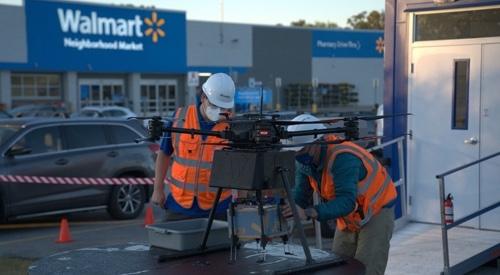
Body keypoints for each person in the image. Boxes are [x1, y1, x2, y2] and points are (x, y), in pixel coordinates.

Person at [284, 114, 397, 275]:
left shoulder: (343, 157)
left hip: (376, 211)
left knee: (367, 269)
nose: (298, 155)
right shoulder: (305, 161)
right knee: (338, 267)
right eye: (295, 152)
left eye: (302, 150)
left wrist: (310, 212)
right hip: (350, 216)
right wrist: (294, 207)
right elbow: (301, 193)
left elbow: (346, 202)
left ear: (318, 142)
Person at [151, 73, 236, 221]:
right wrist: (157, 190)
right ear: (203, 98)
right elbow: (164, 154)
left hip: (218, 207)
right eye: (215, 105)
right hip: (179, 205)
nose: (220, 111)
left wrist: (242, 201)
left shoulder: (233, 127)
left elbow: (241, 167)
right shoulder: (180, 118)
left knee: (220, 244)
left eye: (224, 107)